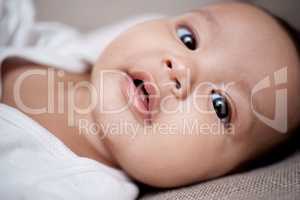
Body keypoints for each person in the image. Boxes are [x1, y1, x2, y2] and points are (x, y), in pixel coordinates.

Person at [0, 1, 299, 198]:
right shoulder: (66, 50)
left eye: (220, 105)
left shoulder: (70, 190)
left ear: (221, 174)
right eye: (188, 39)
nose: (181, 69)